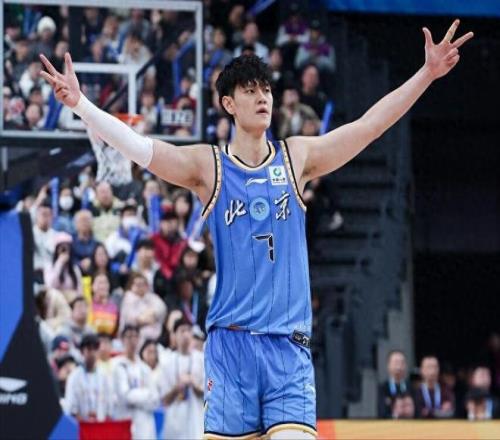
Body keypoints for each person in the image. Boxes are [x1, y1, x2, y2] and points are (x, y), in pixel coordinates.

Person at [40, 20, 473, 437]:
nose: (262, 97)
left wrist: (426, 74)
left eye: (266, 89)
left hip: (288, 348)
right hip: (231, 350)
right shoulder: (208, 166)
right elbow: (141, 148)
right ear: (229, 104)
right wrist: (80, 104)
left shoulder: (296, 157)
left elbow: (368, 127)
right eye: (250, 90)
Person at [112, 325, 159, 440]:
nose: (132, 340)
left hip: (145, 425)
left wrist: (135, 395)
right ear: (122, 340)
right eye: (129, 337)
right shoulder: (118, 366)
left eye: (135, 336)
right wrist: (146, 394)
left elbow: (155, 399)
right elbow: (125, 396)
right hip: (126, 421)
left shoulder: (145, 368)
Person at [159, 318, 204, 440]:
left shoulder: (201, 359)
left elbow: (210, 391)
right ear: (174, 335)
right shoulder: (166, 361)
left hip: (196, 420)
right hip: (174, 422)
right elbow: (164, 400)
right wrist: (177, 387)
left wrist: (194, 384)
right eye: (182, 331)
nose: (186, 335)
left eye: (188, 330)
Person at [64, 333, 115, 421]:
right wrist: (86, 422)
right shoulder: (74, 377)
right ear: (82, 352)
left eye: (95, 349)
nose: (92, 353)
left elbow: (110, 405)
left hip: (101, 424)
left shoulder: (104, 375)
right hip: (81, 425)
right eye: (89, 349)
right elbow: (71, 409)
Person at [378, 350, 411, 418]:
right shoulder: (383, 387)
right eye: (396, 363)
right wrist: (395, 415)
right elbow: (381, 413)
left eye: (402, 363)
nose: (399, 367)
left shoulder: (410, 386)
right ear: (388, 365)